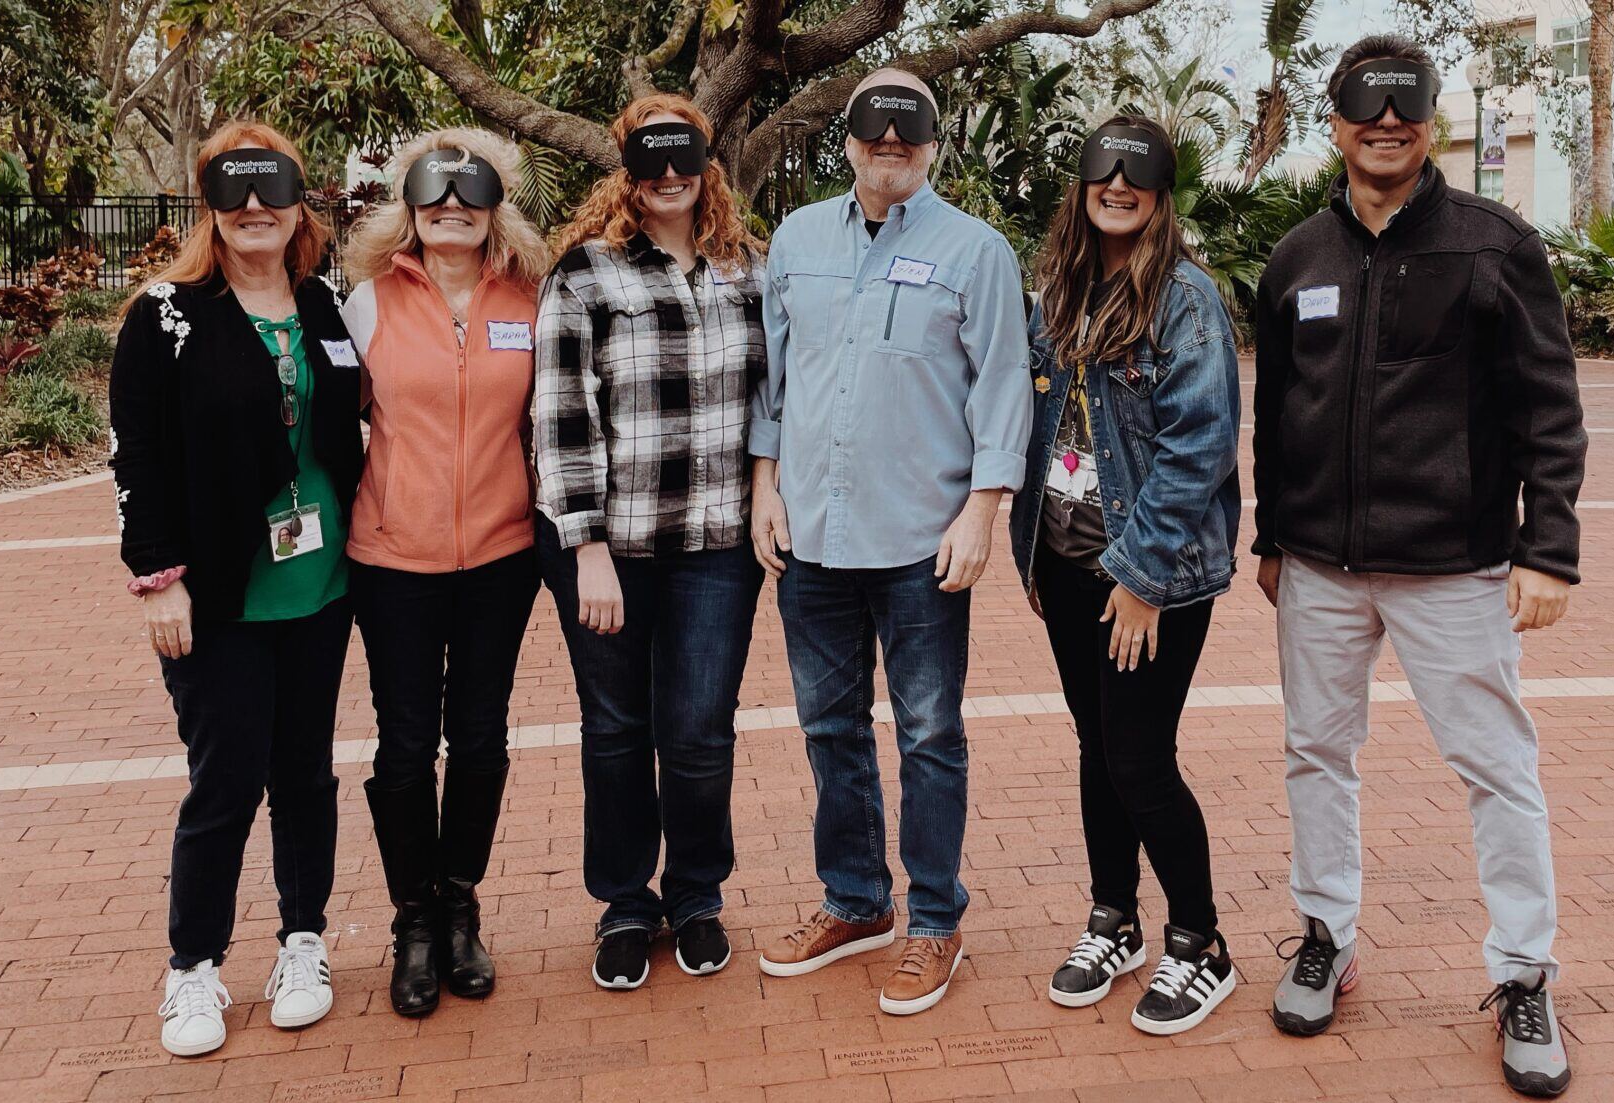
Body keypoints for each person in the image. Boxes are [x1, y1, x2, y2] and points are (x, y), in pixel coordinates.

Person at [1252, 36, 1586, 1097]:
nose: (1386, 123)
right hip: (1320, 566)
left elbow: (1550, 410)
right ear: (1336, 122)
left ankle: (1525, 972)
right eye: (1367, 106)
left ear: (1430, 122)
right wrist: (1271, 537)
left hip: (1456, 567)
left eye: (1406, 107)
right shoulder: (1298, 256)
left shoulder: (1497, 245)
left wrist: (1548, 550)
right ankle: (1327, 935)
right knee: (1316, 751)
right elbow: (1276, 414)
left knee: (1497, 766)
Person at [751, 68, 1031, 1016]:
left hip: (922, 540)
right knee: (829, 728)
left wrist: (983, 509)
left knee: (929, 735)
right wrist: (763, 488)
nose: (890, 143)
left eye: (909, 129)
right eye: (875, 127)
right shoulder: (796, 241)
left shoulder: (976, 251)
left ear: (933, 142)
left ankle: (935, 920)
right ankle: (856, 901)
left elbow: (1003, 382)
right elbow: (773, 381)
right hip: (812, 537)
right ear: (849, 139)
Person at [109, 121, 362, 1057]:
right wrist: (157, 579)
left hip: (321, 585)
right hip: (219, 597)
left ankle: (304, 941)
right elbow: (135, 454)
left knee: (304, 772)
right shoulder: (166, 316)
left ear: (299, 201)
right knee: (225, 779)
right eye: (234, 187)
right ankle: (194, 963)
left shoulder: (325, 303)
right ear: (208, 204)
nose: (255, 205)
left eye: (272, 186)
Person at [1009, 117, 1243, 1035]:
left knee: (1139, 756)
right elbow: (1038, 425)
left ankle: (1201, 940)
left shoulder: (1184, 300)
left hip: (1149, 576)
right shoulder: (1059, 293)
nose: (1117, 185)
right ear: (1081, 185)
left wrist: (1142, 580)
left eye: (1136, 173)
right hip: (1068, 564)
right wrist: (1033, 547)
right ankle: (1115, 916)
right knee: (1096, 746)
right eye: (1102, 170)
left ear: (1160, 190)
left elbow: (1199, 447)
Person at [533, 94, 768, 990]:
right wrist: (586, 547)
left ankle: (697, 893)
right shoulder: (585, 276)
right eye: (650, 157)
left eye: (684, 156)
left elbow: (775, 400)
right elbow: (560, 419)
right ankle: (626, 901)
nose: (669, 174)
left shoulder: (750, 271)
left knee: (700, 730)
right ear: (626, 170)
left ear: (707, 163)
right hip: (611, 549)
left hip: (717, 544)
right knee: (617, 729)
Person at [338, 128, 552, 1017]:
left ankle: (461, 906)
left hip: (501, 556)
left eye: (472, 191)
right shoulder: (367, 304)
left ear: (497, 205)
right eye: (435, 191)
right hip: (393, 561)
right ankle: (414, 921)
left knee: (481, 737)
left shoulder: (532, 301)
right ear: (410, 205)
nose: (453, 206)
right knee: (403, 744)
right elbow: (332, 422)